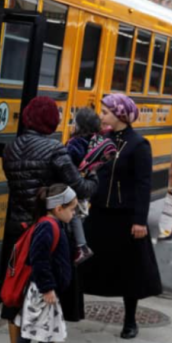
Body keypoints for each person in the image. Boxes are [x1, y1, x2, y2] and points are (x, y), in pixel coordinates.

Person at [1, 96, 99, 343]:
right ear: (50, 121)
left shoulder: (10, 148)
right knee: (51, 294)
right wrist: (94, 175)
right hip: (50, 230)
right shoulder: (55, 150)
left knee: (17, 290)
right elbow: (79, 188)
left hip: (18, 229)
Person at [78, 94, 162, 339]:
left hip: (125, 217)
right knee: (83, 263)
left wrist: (139, 220)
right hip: (99, 212)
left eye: (106, 112)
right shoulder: (100, 139)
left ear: (120, 115)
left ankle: (129, 320)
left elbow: (143, 185)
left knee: (129, 270)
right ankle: (73, 307)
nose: (101, 115)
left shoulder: (139, 144)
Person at [7, 184, 77, 343]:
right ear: (58, 208)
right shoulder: (49, 227)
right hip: (43, 291)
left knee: (28, 327)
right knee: (47, 333)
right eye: (72, 209)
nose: (74, 213)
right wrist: (48, 288)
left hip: (37, 290)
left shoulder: (48, 223)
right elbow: (39, 260)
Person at [65, 108, 118, 265]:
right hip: (88, 186)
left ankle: (81, 247)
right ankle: (79, 246)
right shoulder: (96, 142)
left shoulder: (75, 143)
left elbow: (67, 163)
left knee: (72, 216)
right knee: (79, 216)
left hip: (73, 187)